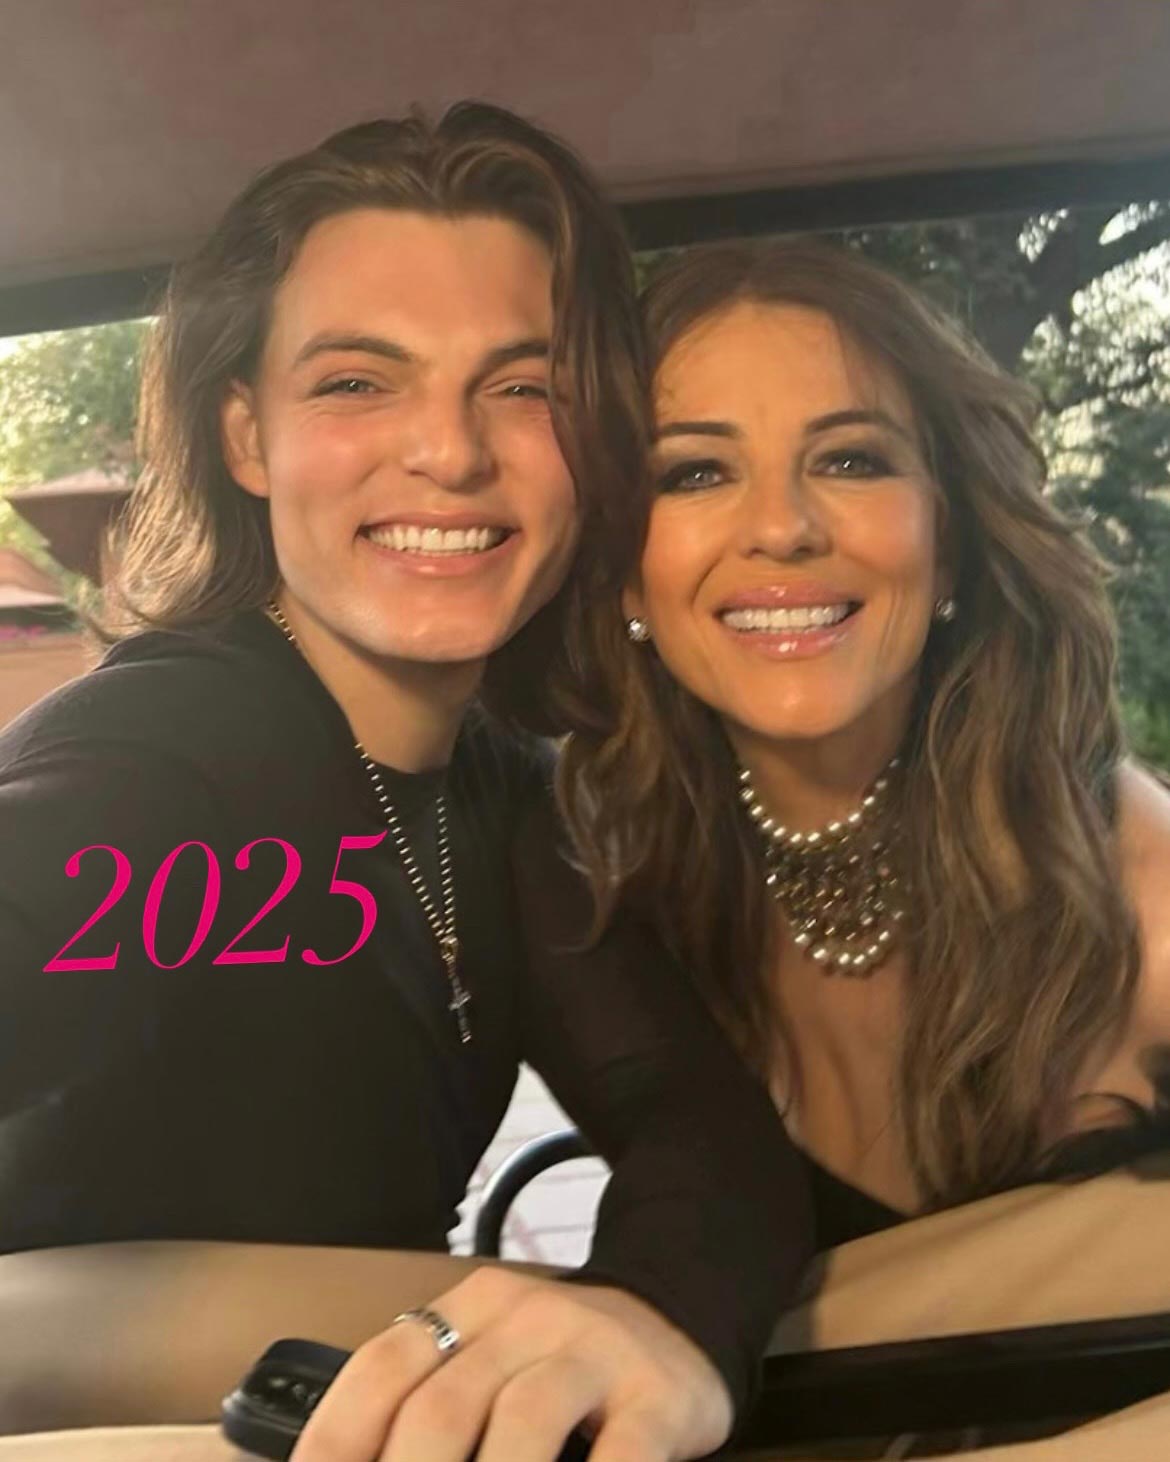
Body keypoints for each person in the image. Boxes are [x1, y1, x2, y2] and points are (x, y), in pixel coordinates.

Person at [0, 112, 813, 1461]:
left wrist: (657, 1319)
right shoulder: (164, 756)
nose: (450, 450)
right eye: (356, 382)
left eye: (523, 386)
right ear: (248, 439)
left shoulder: (499, 793)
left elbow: (697, 1125)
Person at [560, 237, 1170, 1251]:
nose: (783, 527)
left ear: (950, 546)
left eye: (850, 460)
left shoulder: (1145, 898)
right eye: (696, 472)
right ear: (626, 577)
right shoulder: (620, 892)